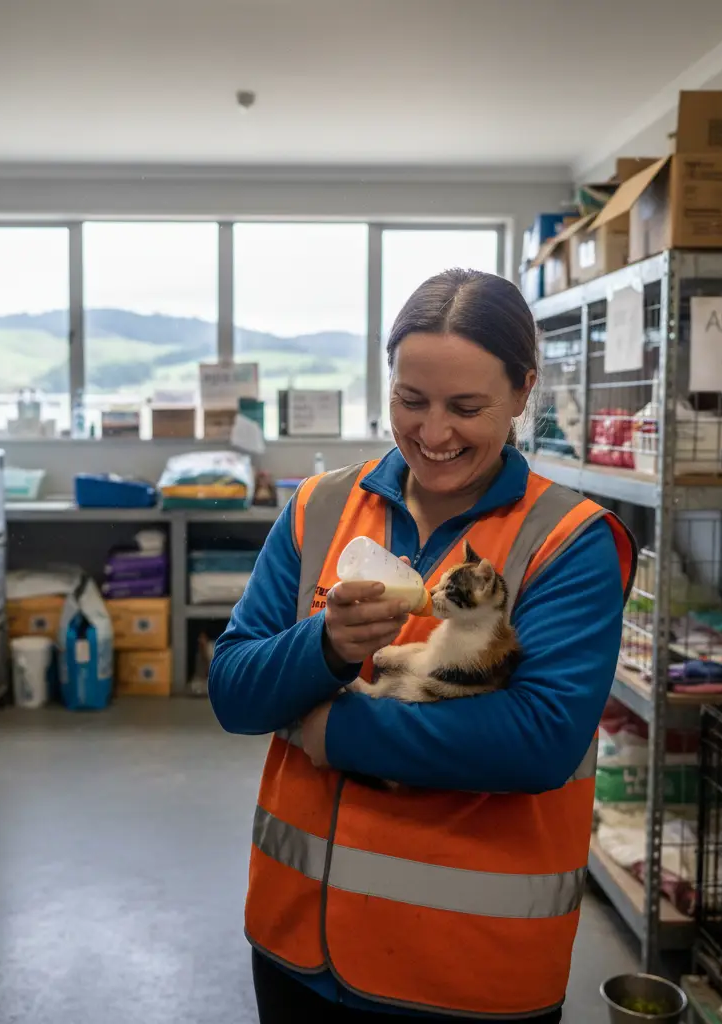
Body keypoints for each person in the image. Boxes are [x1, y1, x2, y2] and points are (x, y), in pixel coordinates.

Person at [208, 269, 637, 1023]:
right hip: (296, 950)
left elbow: (539, 741)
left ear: (524, 390)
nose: (433, 435)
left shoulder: (568, 544)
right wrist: (326, 647)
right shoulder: (320, 509)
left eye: (466, 408)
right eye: (411, 401)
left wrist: (333, 728)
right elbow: (235, 691)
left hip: (468, 971)